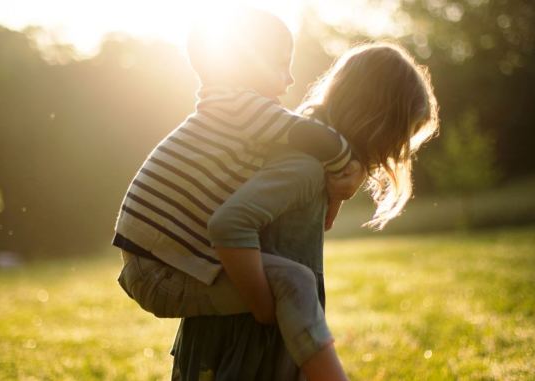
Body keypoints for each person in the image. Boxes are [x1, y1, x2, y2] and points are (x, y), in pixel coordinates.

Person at [112, 7, 363, 381]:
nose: (290, 77)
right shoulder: (239, 107)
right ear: (247, 62)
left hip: (156, 265)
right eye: (281, 64)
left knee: (286, 280)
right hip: (160, 271)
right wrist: (349, 170)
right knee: (294, 282)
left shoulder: (227, 112)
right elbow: (316, 137)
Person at [172, 42, 440, 380]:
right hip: (245, 339)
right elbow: (230, 224)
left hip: (264, 330)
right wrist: (267, 309)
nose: (395, 152)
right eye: (399, 138)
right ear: (378, 122)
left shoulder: (315, 158)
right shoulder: (305, 167)